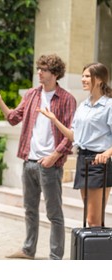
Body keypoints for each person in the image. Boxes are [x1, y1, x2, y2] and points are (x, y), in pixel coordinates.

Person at [0, 54, 77, 260]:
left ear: (54, 74)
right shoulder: (31, 95)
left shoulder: (66, 99)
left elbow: (72, 133)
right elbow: (12, 118)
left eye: (43, 70)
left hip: (50, 164)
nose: (39, 73)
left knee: (54, 213)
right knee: (29, 209)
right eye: (38, 69)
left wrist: (54, 156)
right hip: (29, 161)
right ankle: (29, 249)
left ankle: (56, 256)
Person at [39, 62, 112, 227]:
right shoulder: (83, 106)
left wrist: (107, 154)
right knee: (90, 218)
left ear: (99, 79)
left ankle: (101, 252)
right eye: (83, 76)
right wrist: (54, 119)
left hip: (99, 162)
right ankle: (95, 252)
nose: (83, 79)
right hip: (83, 159)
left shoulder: (109, 105)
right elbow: (74, 136)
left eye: (87, 76)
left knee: (94, 220)